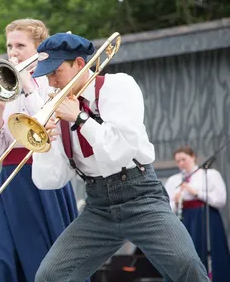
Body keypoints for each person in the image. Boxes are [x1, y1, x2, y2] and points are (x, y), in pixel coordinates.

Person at [30, 32, 210, 281]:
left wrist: (81, 118)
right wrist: (45, 146)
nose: (51, 83)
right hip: (98, 206)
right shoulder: (58, 110)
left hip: (141, 198)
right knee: (50, 276)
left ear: (80, 64)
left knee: (186, 265)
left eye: (55, 72)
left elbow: (120, 151)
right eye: (47, 75)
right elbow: (50, 181)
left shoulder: (118, 86)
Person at [0, 18, 79, 282]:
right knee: (3, 260)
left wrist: (28, 85)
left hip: (45, 177)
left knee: (45, 259)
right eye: (9, 45)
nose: (13, 52)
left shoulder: (52, 81)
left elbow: (49, 129)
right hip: (11, 178)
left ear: (39, 49)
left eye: (20, 45)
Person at [165, 146, 230, 282]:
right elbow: (165, 207)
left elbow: (221, 199)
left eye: (184, 159)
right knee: (186, 253)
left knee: (211, 250)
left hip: (206, 216)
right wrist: (176, 202)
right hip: (184, 218)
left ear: (193, 156)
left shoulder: (210, 174)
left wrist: (197, 193)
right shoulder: (173, 180)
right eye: (178, 161)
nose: (181, 163)